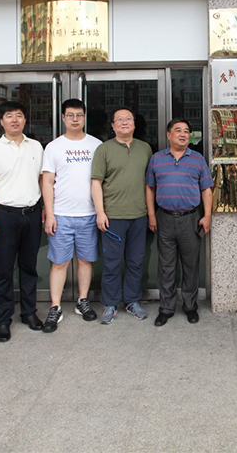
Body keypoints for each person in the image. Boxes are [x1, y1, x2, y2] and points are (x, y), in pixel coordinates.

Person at [0, 101, 45, 342]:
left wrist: (45, 208)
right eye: (9, 116)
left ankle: (29, 313)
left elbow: (43, 180)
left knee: (29, 267)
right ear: (1, 121)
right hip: (4, 216)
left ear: (25, 120)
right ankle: (3, 319)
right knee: (4, 270)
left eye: (19, 115)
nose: (14, 120)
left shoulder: (36, 146)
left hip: (32, 214)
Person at [40, 99, 102, 333]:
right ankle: (55, 306)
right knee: (59, 262)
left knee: (86, 260)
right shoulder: (54, 147)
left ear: (85, 117)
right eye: (70, 115)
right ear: (63, 118)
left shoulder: (96, 145)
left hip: (88, 214)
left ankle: (82, 301)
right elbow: (47, 182)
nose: (75, 119)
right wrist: (49, 213)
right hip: (61, 215)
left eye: (79, 115)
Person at [145, 119, 213, 326]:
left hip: (190, 218)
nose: (183, 134)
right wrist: (152, 215)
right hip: (164, 218)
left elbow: (206, 189)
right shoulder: (157, 159)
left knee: (190, 265)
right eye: (178, 131)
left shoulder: (198, 159)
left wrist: (207, 215)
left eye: (186, 131)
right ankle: (166, 308)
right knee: (166, 266)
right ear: (168, 135)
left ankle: (190, 306)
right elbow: (150, 188)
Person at [91, 106, 153, 324]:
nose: (125, 122)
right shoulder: (104, 149)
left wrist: (150, 214)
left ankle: (132, 301)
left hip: (139, 216)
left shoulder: (145, 149)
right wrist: (100, 212)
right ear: (113, 126)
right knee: (112, 263)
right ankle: (110, 304)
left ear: (134, 124)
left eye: (129, 119)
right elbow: (96, 183)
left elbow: (149, 184)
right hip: (113, 216)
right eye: (120, 119)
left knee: (136, 262)